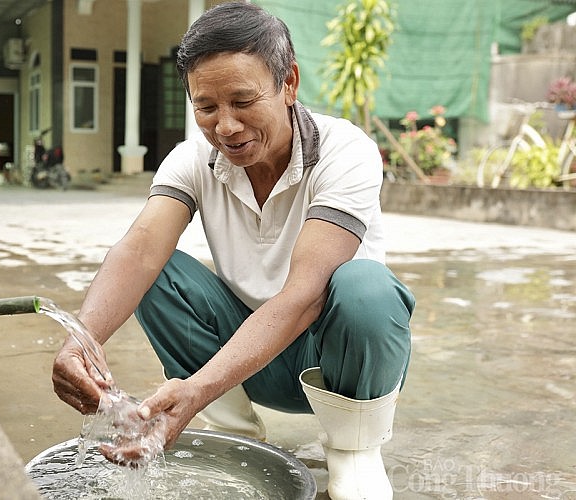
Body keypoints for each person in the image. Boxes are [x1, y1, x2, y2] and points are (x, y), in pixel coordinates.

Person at [52, 2, 414, 498]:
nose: (225, 126)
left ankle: (354, 450)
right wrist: (82, 339)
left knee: (365, 287)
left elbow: (306, 295)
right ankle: (232, 432)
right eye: (206, 107)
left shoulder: (344, 151)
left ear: (288, 83)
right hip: (249, 357)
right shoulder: (193, 159)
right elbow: (138, 251)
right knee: (155, 271)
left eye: (243, 101)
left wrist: (194, 390)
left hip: (336, 360)